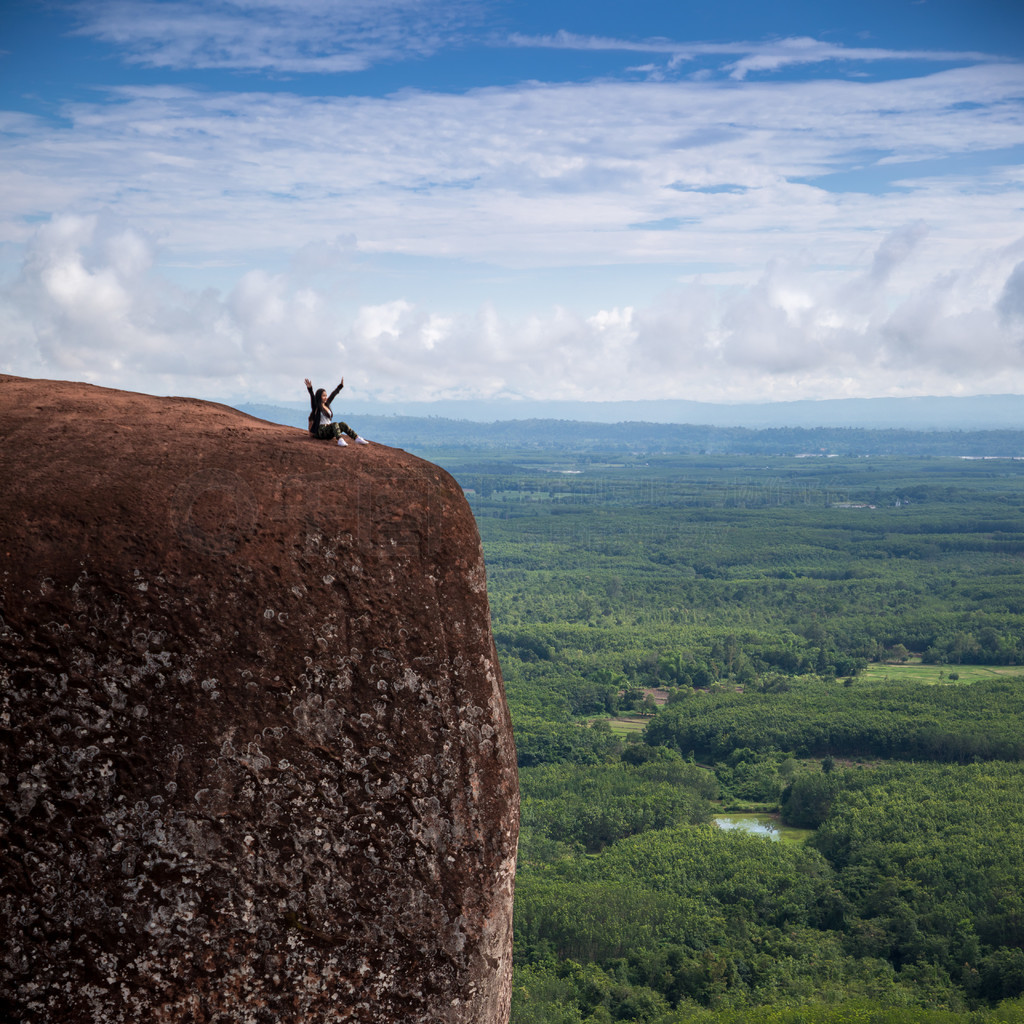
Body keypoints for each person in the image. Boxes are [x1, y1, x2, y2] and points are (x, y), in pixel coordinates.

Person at [304, 377, 369, 446]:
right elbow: (312, 398)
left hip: (328, 430)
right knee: (335, 424)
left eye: (326, 395)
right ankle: (340, 440)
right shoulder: (316, 407)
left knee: (342, 424)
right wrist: (310, 389)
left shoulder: (327, 405)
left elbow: (333, 395)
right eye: (323, 396)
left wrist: (340, 386)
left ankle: (357, 438)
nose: (325, 397)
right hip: (320, 431)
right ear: (319, 396)